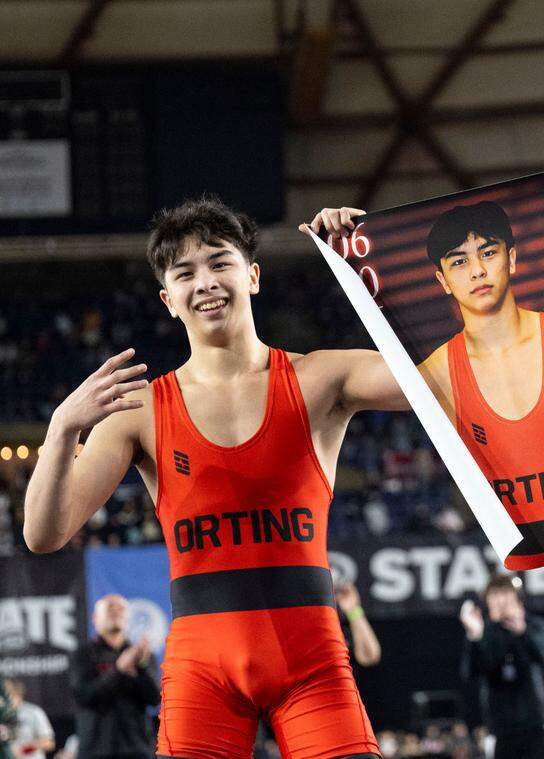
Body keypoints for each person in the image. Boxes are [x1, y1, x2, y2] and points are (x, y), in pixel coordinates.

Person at [24, 197, 409, 757]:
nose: (204, 283)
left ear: (252, 275)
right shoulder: (140, 411)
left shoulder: (322, 376)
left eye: (219, 263)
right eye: (184, 273)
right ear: (168, 300)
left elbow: (439, 379)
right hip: (201, 667)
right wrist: (61, 431)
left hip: (312, 659)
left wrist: (372, 269)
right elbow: (43, 534)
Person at [310, 201, 544, 569]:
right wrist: (336, 243)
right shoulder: (438, 373)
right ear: (443, 280)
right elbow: (336, 383)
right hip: (508, 562)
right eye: (459, 261)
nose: (476, 271)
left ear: (512, 259)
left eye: (488, 252)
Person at [459, 575, 544, 759]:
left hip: (534, 720)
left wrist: (522, 632)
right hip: (501, 725)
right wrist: (475, 636)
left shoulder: (535, 625)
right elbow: (470, 671)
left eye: (505, 594)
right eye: (494, 595)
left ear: (517, 597)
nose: (500, 601)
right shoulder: (483, 630)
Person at [71, 594, 160, 759]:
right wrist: (119, 669)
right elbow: (84, 696)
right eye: (110, 608)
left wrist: (141, 667)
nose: (116, 612)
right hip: (95, 750)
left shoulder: (141, 654)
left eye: (121, 609)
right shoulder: (82, 654)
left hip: (137, 749)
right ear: (95, 618)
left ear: (127, 618)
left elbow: (155, 698)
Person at [1, 680, 53, 759]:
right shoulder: (2, 714)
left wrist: (23, 750)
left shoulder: (34, 712)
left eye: (8, 696)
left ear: (18, 695)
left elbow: (48, 743)